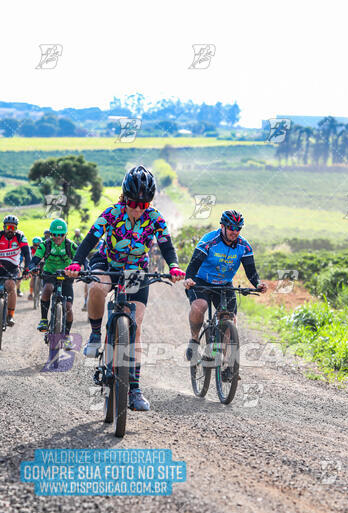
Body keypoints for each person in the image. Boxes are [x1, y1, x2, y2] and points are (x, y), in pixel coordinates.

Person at [65, 165, 185, 411]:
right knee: (98, 286)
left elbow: (166, 245)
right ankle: (97, 334)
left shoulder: (155, 218)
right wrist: (76, 262)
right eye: (132, 202)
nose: (137, 208)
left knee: (136, 328)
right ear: (124, 197)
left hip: (135, 271)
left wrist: (173, 266)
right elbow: (90, 239)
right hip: (107, 261)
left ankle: (135, 389)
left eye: (144, 204)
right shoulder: (111, 213)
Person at [183, 210, 267, 360]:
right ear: (222, 226)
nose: (234, 232)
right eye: (231, 228)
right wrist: (188, 278)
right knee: (200, 306)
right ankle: (194, 340)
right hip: (200, 280)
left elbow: (251, 271)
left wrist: (258, 283)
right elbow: (194, 263)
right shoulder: (210, 240)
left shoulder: (244, 246)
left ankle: (224, 360)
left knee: (229, 318)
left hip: (224, 284)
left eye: (238, 228)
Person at [29, 219, 78, 351]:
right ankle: (44, 319)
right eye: (54, 234)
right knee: (47, 289)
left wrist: (86, 268)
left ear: (65, 234)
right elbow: (36, 258)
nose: (57, 237)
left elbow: (81, 258)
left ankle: (67, 336)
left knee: (68, 307)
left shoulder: (70, 245)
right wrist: (32, 265)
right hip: (50, 274)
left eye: (61, 234)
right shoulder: (45, 245)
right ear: (51, 234)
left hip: (66, 277)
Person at [0, 215, 31, 326]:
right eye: (8, 227)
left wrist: (27, 269)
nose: (10, 230)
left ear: (16, 228)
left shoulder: (20, 237)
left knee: (10, 286)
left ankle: (10, 315)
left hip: (12, 268)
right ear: (4, 227)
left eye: (13, 228)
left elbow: (27, 253)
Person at [27, 236, 43, 300]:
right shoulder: (30, 249)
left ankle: (42, 291)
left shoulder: (43, 249)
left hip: (41, 266)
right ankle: (31, 293)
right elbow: (27, 258)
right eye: (34, 245)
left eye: (37, 245)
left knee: (43, 278)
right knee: (32, 278)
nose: (36, 247)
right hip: (33, 266)